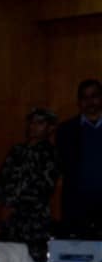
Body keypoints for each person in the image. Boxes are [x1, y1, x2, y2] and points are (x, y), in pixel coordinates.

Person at [0, 106, 59, 261]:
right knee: (7, 258)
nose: (33, 126)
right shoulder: (17, 150)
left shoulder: (50, 154)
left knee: (31, 260)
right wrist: (0, 206)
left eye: (40, 123)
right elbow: (2, 180)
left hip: (33, 220)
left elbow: (43, 188)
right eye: (31, 122)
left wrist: (14, 207)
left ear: (50, 128)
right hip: (8, 220)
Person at [55, 79, 102, 237]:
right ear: (79, 102)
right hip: (77, 204)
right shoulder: (66, 130)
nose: (90, 102)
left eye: (94, 96)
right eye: (85, 97)